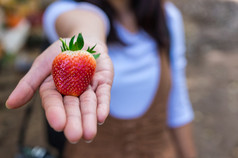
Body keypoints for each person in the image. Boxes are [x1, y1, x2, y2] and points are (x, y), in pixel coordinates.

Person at [6, 0, 197, 157]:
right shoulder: (64, 9)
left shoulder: (167, 18)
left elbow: (177, 104)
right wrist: (88, 40)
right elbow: (85, 20)